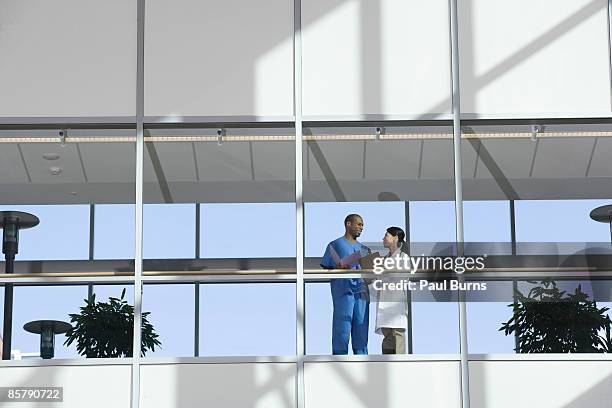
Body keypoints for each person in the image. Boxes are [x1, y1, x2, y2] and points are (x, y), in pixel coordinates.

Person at [320, 214, 371, 355]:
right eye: (359, 224)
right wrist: (341, 265)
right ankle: (338, 361)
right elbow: (327, 267)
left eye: (362, 225)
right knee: (342, 327)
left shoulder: (365, 250)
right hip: (343, 292)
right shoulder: (334, 245)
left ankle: (362, 362)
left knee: (361, 328)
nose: (361, 228)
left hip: (362, 293)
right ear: (348, 224)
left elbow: (371, 275)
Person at [372, 226, 410, 354]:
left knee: (397, 335)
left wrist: (384, 270)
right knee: (387, 336)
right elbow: (377, 280)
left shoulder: (403, 257)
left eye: (386, 235)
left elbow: (400, 277)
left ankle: (400, 366)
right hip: (385, 304)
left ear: (395, 238)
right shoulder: (383, 259)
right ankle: (386, 364)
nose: (383, 238)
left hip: (396, 303)